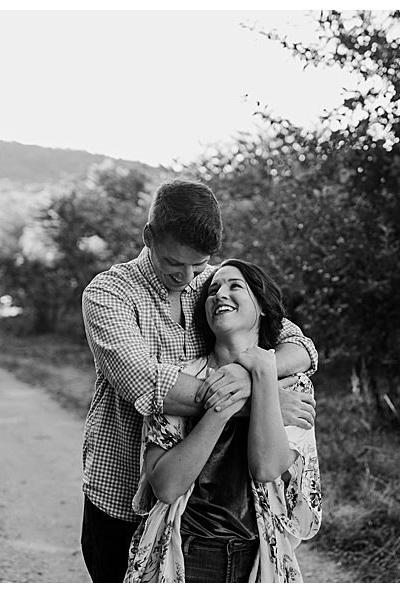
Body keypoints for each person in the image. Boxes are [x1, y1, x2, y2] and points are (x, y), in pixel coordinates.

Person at [80, 180, 319, 582]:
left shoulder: (212, 285)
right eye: (175, 263)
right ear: (149, 237)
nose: (188, 276)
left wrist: (255, 379)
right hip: (122, 494)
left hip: (195, 514)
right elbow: (147, 384)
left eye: (199, 264)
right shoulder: (109, 293)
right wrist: (263, 401)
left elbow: (299, 345)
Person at [123, 259, 322, 582]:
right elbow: (167, 487)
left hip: (260, 554)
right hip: (187, 550)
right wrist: (226, 402)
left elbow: (267, 468)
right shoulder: (181, 380)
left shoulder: (291, 384)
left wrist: (261, 372)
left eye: (235, 286)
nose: (219, 294)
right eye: (213, 290)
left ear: (262, 307)